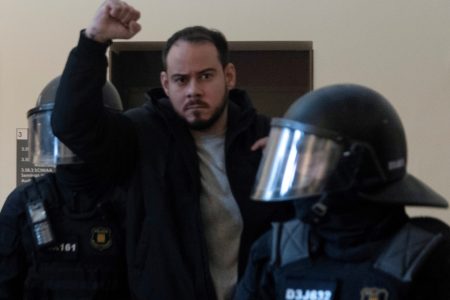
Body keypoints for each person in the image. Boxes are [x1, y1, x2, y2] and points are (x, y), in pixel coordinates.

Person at [51, 1, 294, 299]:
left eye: (205, 76)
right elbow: (71, 124)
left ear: (228, 76)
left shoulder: (268, 137)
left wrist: (300, 164)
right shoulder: (141, 135)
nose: (193, 90)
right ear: (166, 84)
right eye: (181, 79)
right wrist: (93, 41)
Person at [234, 83, 450, 300]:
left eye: (313, 156)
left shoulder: (431, 256)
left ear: (357, 164)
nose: (301, 169)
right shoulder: (275, 251)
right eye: (298, 156)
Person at [0, 76, 130, 299]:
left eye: (82, 129)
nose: (72, 141)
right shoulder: (23, 204)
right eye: (64, 129)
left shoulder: (129, 201)